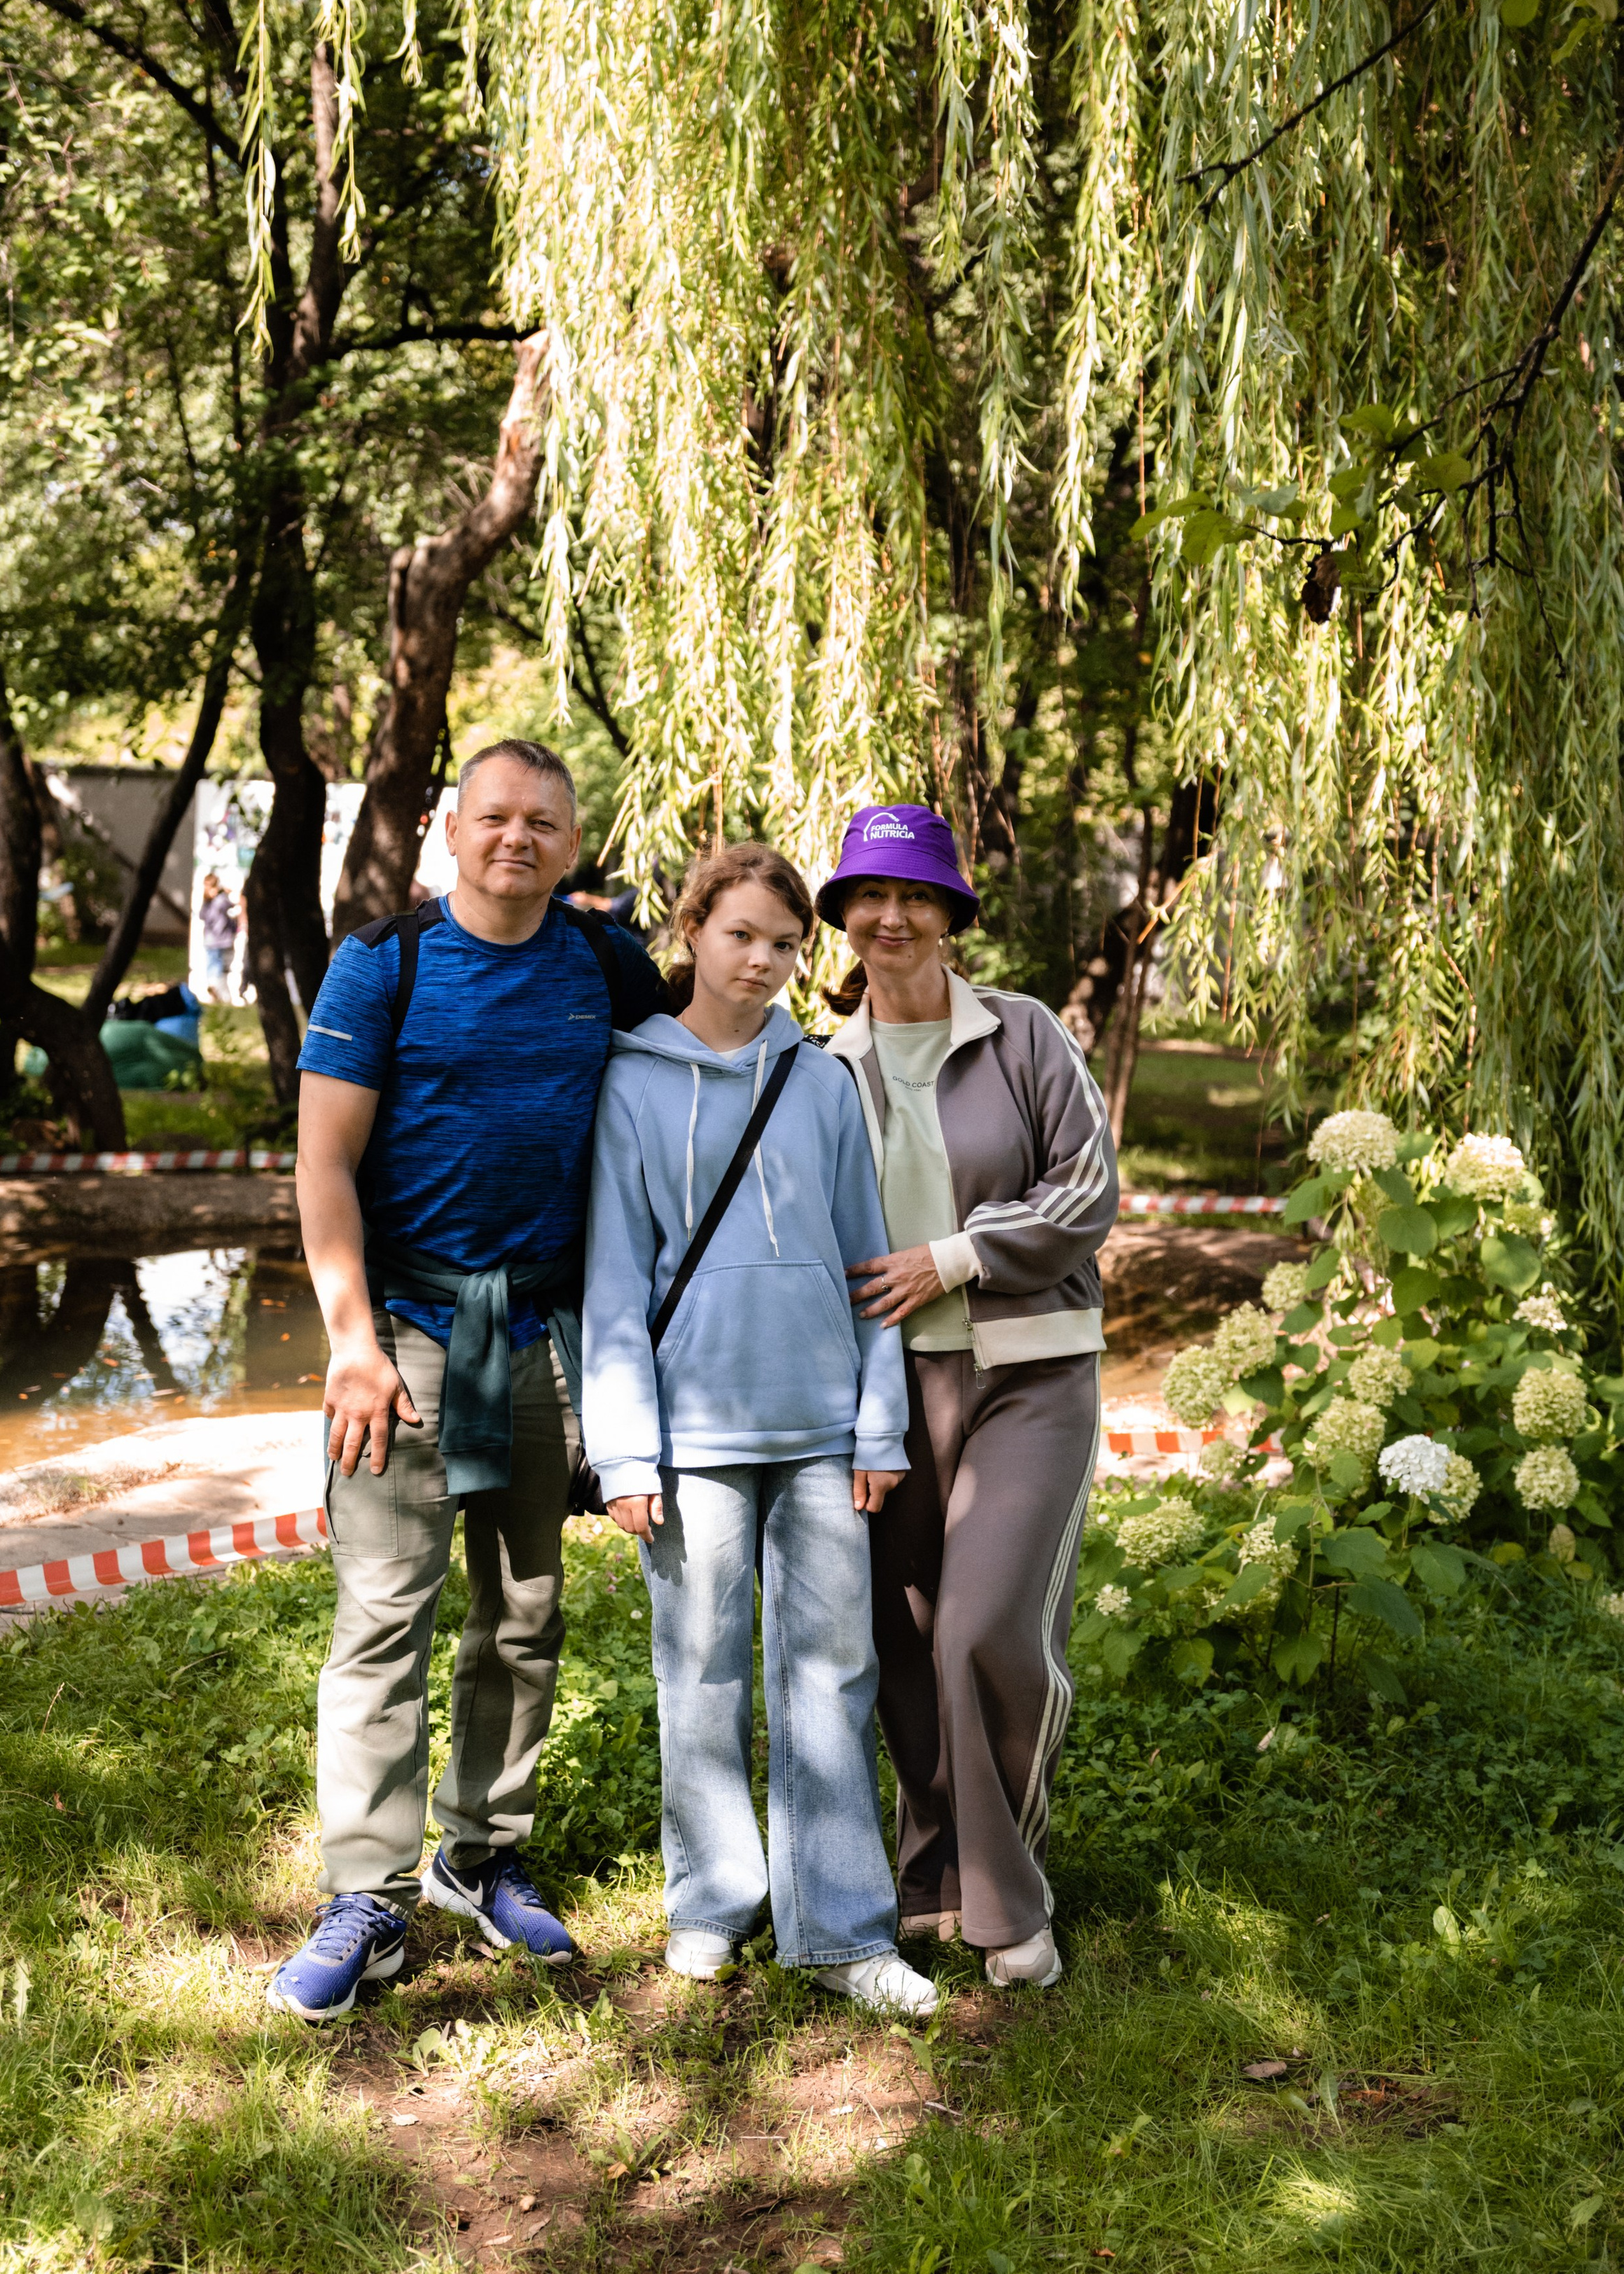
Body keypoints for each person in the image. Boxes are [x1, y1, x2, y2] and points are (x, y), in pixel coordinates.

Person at [265, 739, 667, 2022]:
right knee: (384, 1615)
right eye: (495, 816)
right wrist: (351, 1343)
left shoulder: (607, 964)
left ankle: (481, 1853)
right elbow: (324, 1164)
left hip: (544, 1333)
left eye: (542, 821)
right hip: (405, 1337)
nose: (516, 838)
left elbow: (697, 1074)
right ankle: (367, 1893)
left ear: (573, 841)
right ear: (451, 829)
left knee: (524, 1609)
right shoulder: (383, 963)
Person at [582, 842, 938, 2018]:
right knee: (697, 1671)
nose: (763, 961)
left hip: (824, 1430)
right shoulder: (632, 1083)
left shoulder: (821, 1084)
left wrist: (879, 1427)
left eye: (785, 944)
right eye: (740, 935)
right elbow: (614, 1281)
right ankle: (713, 1905)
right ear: (692, 929)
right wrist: (625, 1452)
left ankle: (842, 1930)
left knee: (833, 1672)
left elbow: (870, 1266)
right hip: (691, 1436)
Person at [816, 805, 1117, 1991]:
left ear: (950, 914)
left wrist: (955, 1256)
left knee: (983, 1629)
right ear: (842, 916)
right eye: (870, 897)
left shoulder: (1025, 1033)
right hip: (884, 1392)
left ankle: (1007, 1899)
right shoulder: (819, 1067)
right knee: (901, 1637)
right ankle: (933, 1875)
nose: (892, 917)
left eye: (916, 897)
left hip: (1028, 1373)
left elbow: (1087, 1189)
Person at [199, 871, 237, 1000]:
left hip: (221, 939)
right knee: (215, 965)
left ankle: (217, 990)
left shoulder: (219, 900)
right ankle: (215, 988)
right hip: (214, 940)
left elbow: (230, 905)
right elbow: (204, 916)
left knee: (219, 966)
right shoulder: (212, 901)